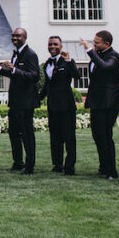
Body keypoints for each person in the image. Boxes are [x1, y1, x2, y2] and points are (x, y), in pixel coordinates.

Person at [80, 30, 119, 180]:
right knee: (97, 135)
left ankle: (112, 170)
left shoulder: (113, 56)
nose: (94, 44)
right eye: (93, 42)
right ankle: (103, 166)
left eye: (97, 43)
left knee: (105, 135)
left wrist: (89, 50)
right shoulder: (100, 55)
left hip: (108, 102)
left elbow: (105, 67)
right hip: (97, 101)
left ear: (107, 44)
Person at [0, 27, 40, 174]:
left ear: (24, 37)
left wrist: (14, 69)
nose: (14, 38)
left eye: (18, 36)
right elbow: (15, 75)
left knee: (27, 134)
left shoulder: (30, 55)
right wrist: (1, 70)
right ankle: (18, 162)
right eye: (13, 36)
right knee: (13, 133)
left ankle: (30, 166)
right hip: (15, 101)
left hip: (26, 102)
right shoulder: (16, 54)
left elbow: (34, 76)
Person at [39, 36, 77, 175]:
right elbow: (47, 84)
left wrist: (68, 60)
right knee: (55, 137)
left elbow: (76, 75)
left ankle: (70, 166)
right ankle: (57, 164)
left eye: (55, 44)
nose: (52, 47)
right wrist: (38, 98)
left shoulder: (66, 61)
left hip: (66, 105)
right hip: (52, 105)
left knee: (69, 137)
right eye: (50, 44)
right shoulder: (47, 63)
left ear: (61, 46)